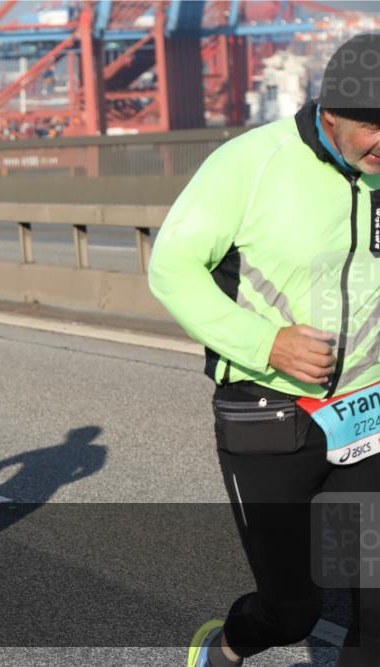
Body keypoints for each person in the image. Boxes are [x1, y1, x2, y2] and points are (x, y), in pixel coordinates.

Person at [148, 34, 380, 667]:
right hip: (268, 417)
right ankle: (227, 644)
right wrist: (267, 342)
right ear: (329, 113)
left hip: (367, 415)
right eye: (370, 125)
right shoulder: (250, 162)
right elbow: (171, 268)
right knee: (294, 610)